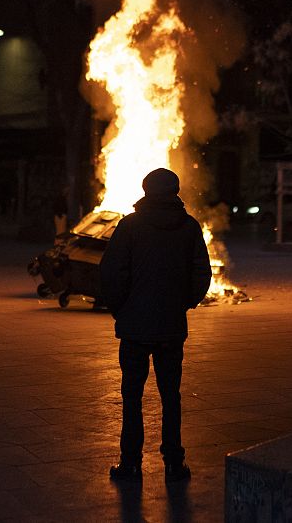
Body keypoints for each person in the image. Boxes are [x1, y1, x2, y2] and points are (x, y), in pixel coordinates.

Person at [99, 168, 211, 484]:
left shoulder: (129, 226)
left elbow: (111, 273)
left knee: (132, 397)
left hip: (135, 329)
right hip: (171, 329)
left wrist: (121, 309)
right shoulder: (189, 227)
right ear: (175, 191)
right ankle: (174, 464)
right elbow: (202, 273)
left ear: (146, 190)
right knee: (170, 396)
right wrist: (183, 305)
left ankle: (131, 464)